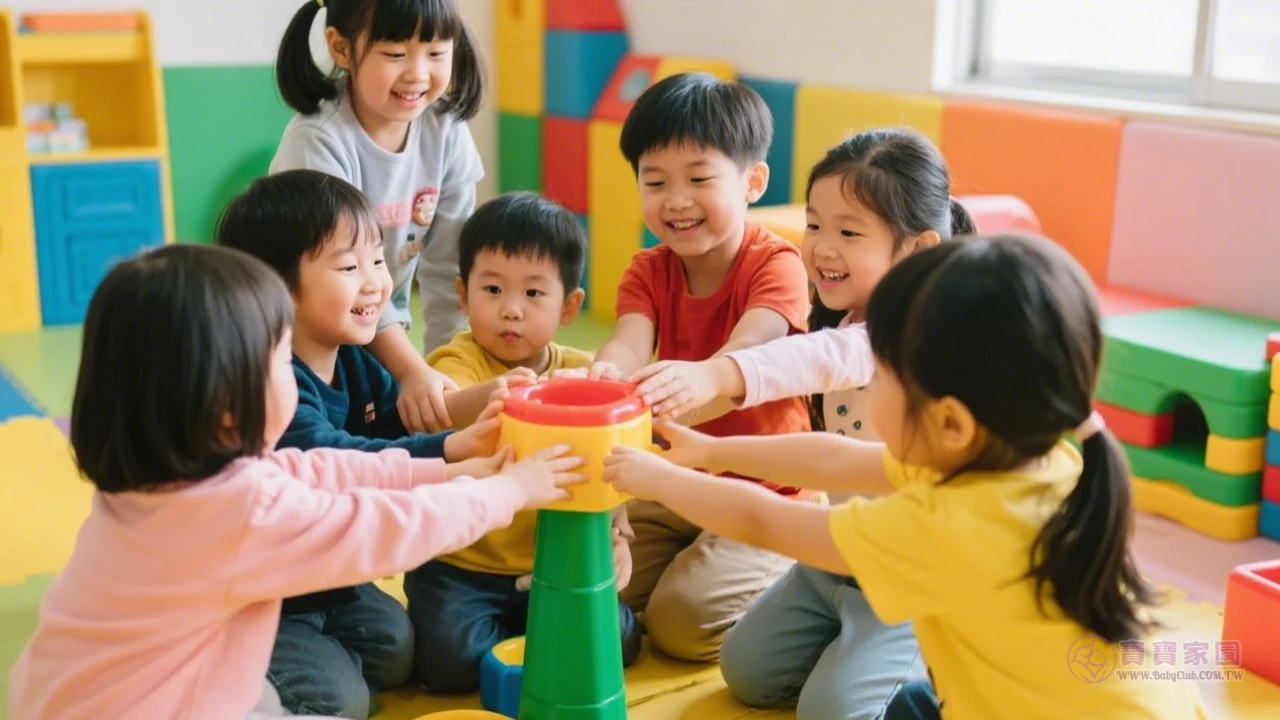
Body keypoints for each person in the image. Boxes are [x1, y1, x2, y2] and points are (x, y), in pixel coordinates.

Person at [603, 234, 1209, 719]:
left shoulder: (947, 523)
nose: (870, 386)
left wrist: (654, 477)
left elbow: (766, 519)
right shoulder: (1039, 456)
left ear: (950, 421)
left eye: (884, 375)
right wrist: (710, 453)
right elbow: (836, 460)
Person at [6, 243, 584, 720]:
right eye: (282, 360)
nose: (294, 372)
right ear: (227, 405)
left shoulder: (166, 480)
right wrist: (508, 492)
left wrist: (451, 468)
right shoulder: (236, 513)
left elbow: (317, 470)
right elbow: (382, 530)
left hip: (92, 693)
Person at [629, 128, 975, 718]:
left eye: (849, 231)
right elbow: (832, 455)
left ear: (917, 250)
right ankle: (854, 644)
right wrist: (707, 453)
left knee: (832, 712)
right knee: (746, 671)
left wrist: (718, 375)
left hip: (915, 580)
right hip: (837, 558)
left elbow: (817, 360)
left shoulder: (918, 336)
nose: (821, 247)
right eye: (815, 225)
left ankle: (940, 662)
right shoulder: (849, 320)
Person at [215, 169, 515, 718]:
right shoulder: (268, 385)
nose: (376, 282)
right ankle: (238, 669)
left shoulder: (353, 358)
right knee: (340, 703)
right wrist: (455, 453)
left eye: (378, 260)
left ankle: (318, 660)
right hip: (266, 599)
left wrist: (500, 395)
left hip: (328, 580)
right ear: (275, 289)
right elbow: (344, 459)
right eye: (349, 267)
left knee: (396, 651)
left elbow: (411, 424)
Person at [585, 72, 811, 662]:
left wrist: (700, 376)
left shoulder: (776, 266)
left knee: (683, 626)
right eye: (654, 181)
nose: (675, 200)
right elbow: (628, 345)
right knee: (587, 588)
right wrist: (604, 378)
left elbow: (747, 357)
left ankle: (797, 563)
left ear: (752, 181)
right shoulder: (647, 270)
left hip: (764, 488)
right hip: (676, 481)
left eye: (699, 178)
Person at [406, 192, 641, 693]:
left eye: (534, 294)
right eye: (492, 289)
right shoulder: (459, 360)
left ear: (570, 306)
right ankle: (531, 641)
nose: (511, 310)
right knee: (449, 663)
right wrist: (497, 394)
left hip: (554, 561)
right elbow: (445, 409)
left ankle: (534, 637)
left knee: (620, 642)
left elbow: (620, 457)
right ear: (463, 295)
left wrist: (617, 529)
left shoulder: (580, 372)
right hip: (462, 567)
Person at [272, 0, 487, 434]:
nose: (417, 73)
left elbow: (450, 269)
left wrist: (445, 369)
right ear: (341, 48)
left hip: (379, 332)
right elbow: (326, 278)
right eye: (395, 54)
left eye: (435, 52)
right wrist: (411, 371)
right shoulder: (319, 140)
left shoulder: (447, 131)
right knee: (351, 454)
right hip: (314, 343)